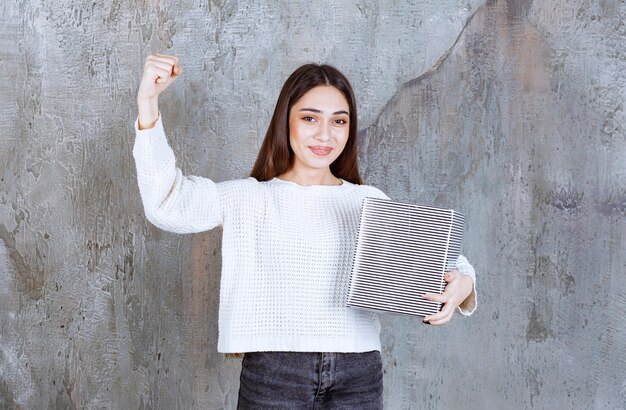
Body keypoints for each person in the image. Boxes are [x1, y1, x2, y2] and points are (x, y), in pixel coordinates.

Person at [133, 53, 477, 409]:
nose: (324, 134)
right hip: (275, 371)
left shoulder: (367, 201)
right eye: (310, 118)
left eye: (339, 121)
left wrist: (463, 283)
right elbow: (168, 203)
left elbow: (442, 257)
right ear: (286, 121)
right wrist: (148, 103)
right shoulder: (250, 198)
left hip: (359, 371)